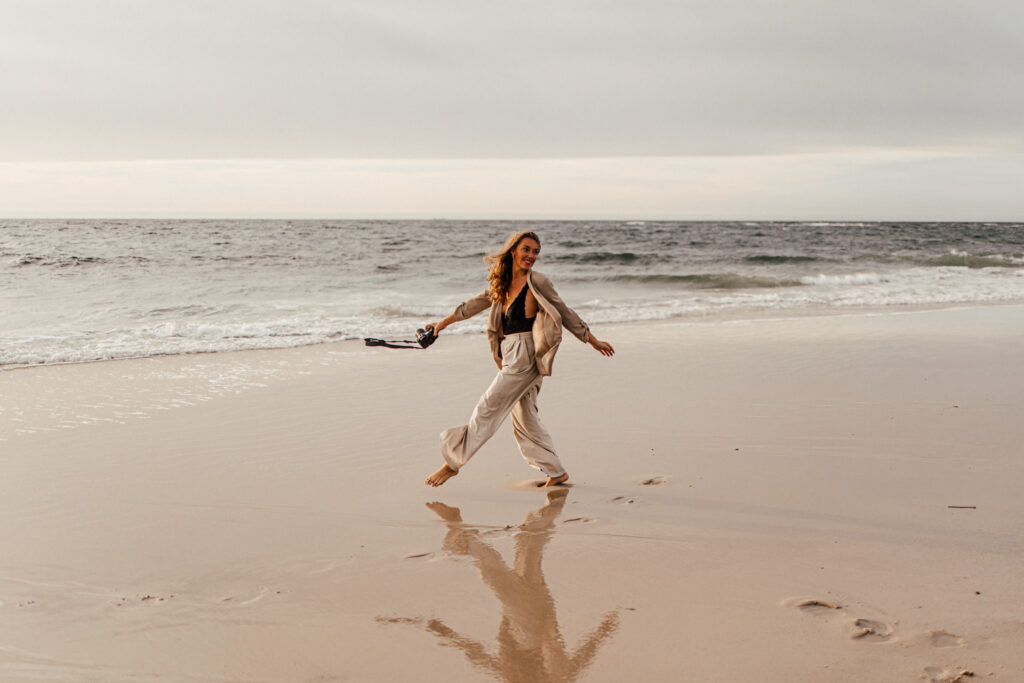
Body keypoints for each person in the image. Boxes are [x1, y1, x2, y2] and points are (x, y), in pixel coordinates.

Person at [424, 231, 615, 487]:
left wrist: (592, 340)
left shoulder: (538, 282)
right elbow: (471, 305)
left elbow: (564, 312)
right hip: (510, 352)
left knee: (487, 407)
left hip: (527, 354)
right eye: (527, 249)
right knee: (525, 416)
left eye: (535, 252)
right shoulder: (500, 284)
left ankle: (452, 463)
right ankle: (557, 472)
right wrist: (441, 324)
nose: (531, 256)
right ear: (514, 250)